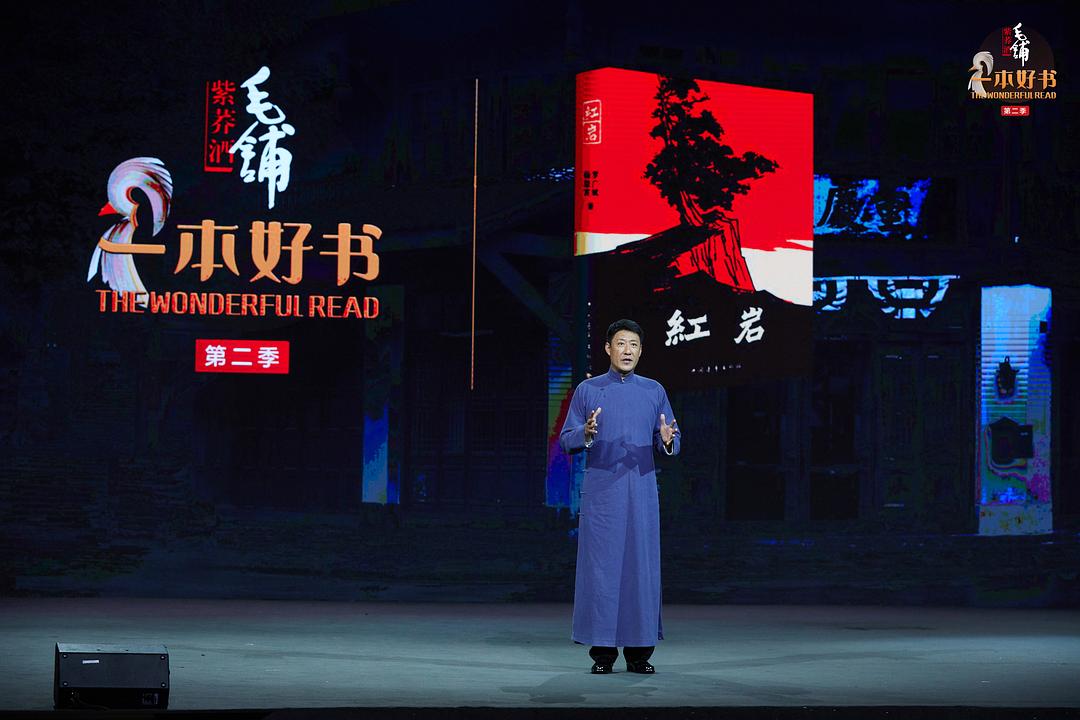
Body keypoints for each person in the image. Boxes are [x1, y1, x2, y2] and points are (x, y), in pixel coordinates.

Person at [559, 318, 680, 674]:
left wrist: (666, 440)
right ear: (608, 348)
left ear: (641, 351)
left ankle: (640, 654)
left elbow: (670, 438)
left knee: (641, 569)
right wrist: (586, 433)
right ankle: (603, 654)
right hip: (602, 495)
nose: (627, 351)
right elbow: (566, 439)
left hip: (642, 493)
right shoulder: (588, 390)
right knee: (603, 570)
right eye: (621, 344)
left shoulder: (654, 391)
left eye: (634, 345)